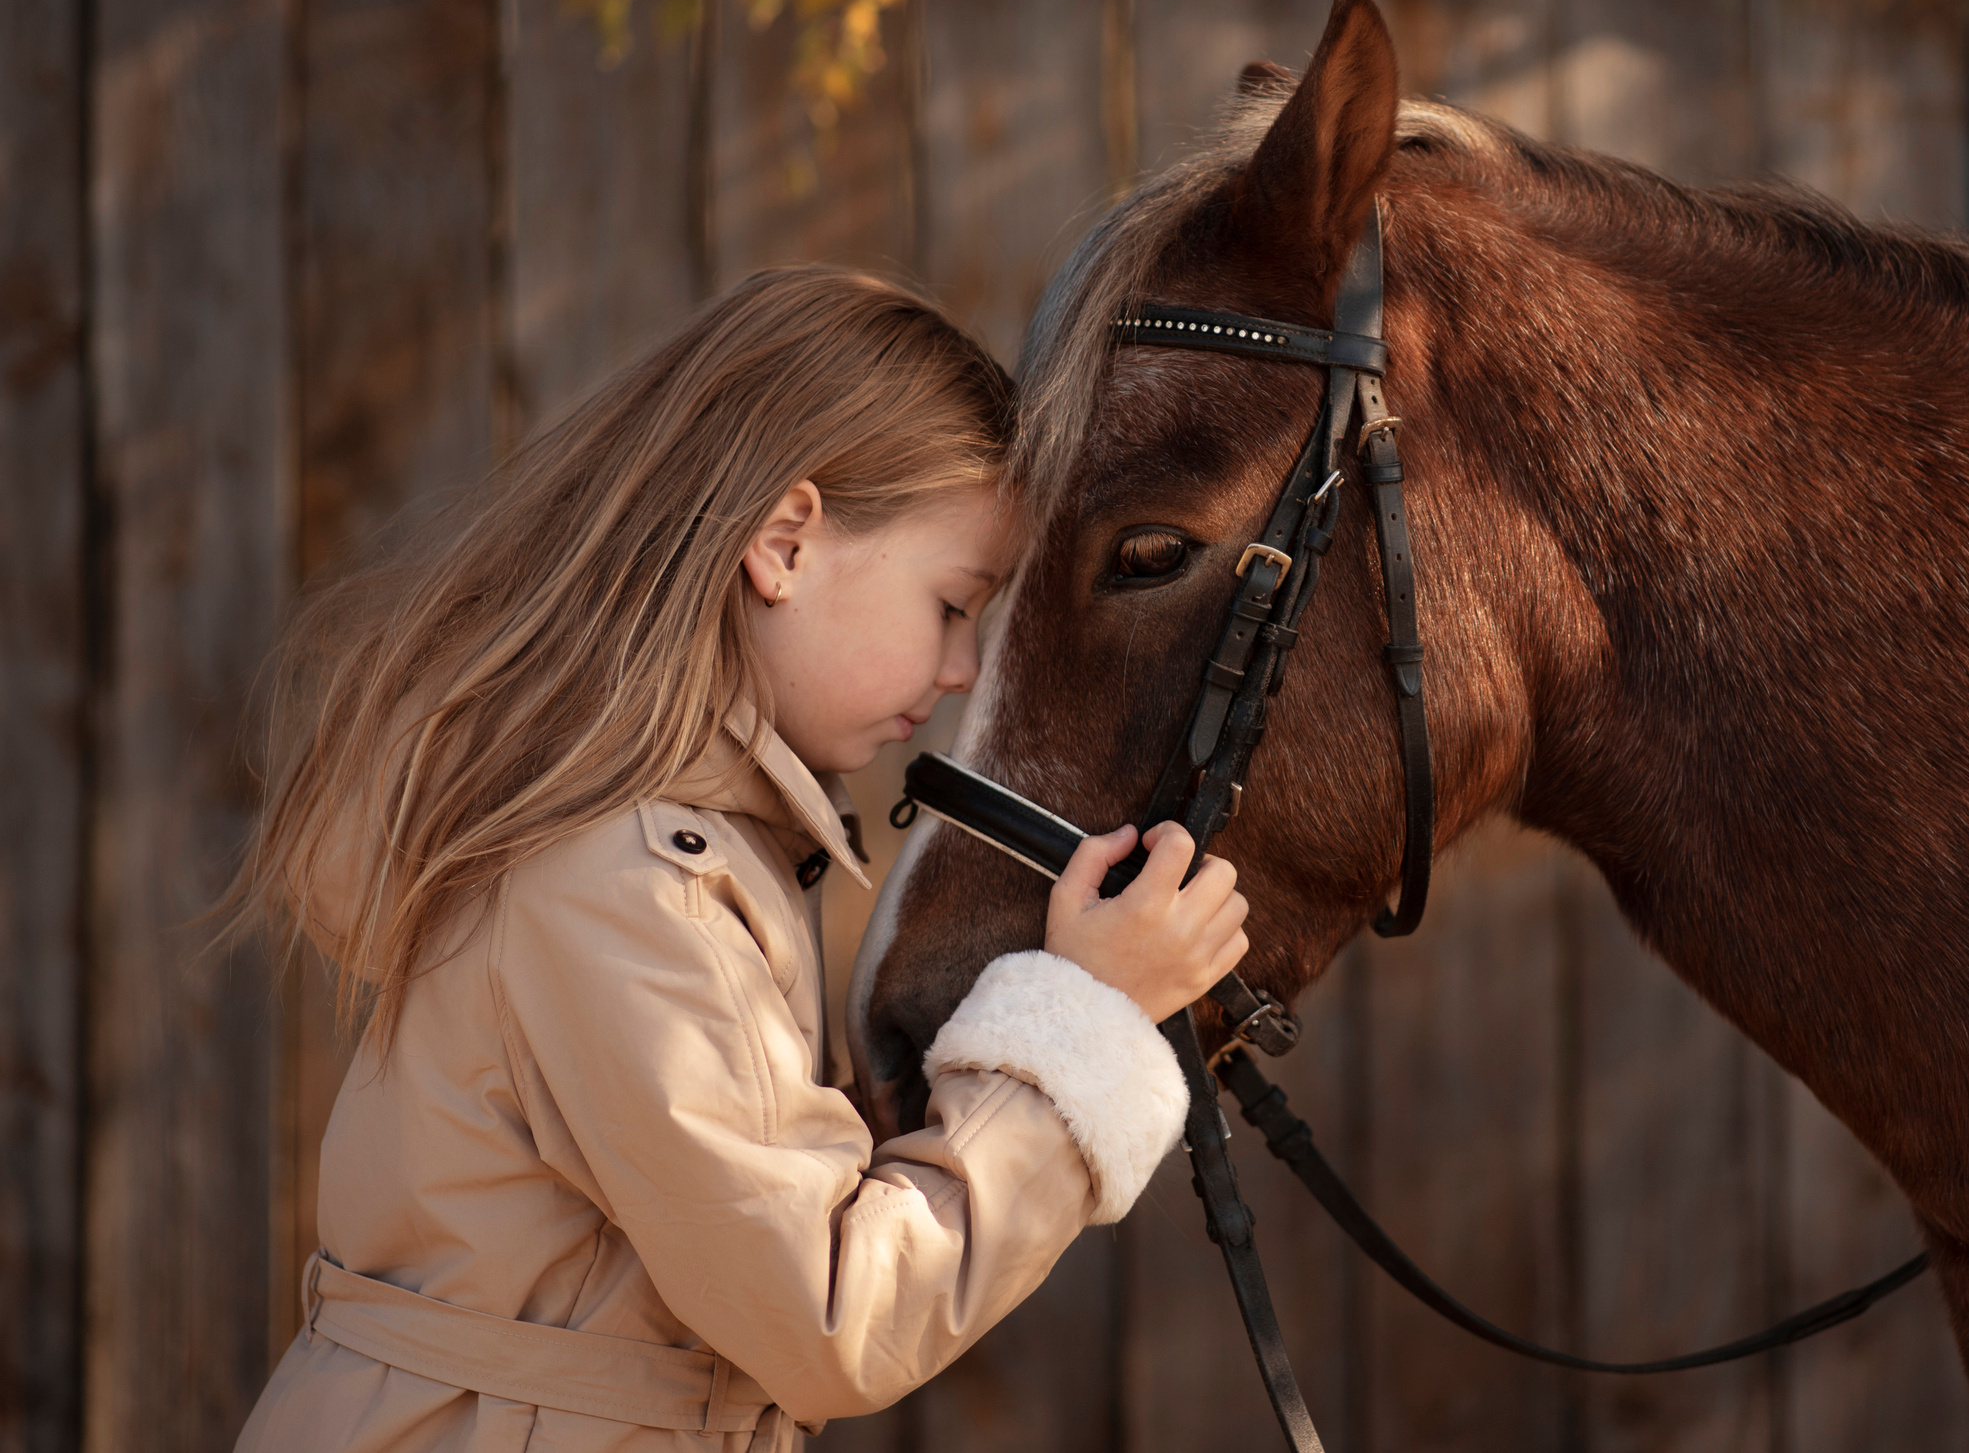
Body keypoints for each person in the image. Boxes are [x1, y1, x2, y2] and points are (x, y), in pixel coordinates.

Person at [225, 268, 1244, 1450]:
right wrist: (1089, 1017)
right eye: (954, 603)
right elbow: (829, 1313)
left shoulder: (687, 845)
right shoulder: (615, 880)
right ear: (784, 543)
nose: (963, 666)